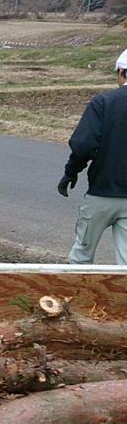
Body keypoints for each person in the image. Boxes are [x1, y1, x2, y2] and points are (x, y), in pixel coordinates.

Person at [57, 48, 127, 265]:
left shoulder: (104, 102)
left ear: (121, 71)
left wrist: (71, 171)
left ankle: (77, 287)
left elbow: (83, 145)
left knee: (81, 256)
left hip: (101, 193)